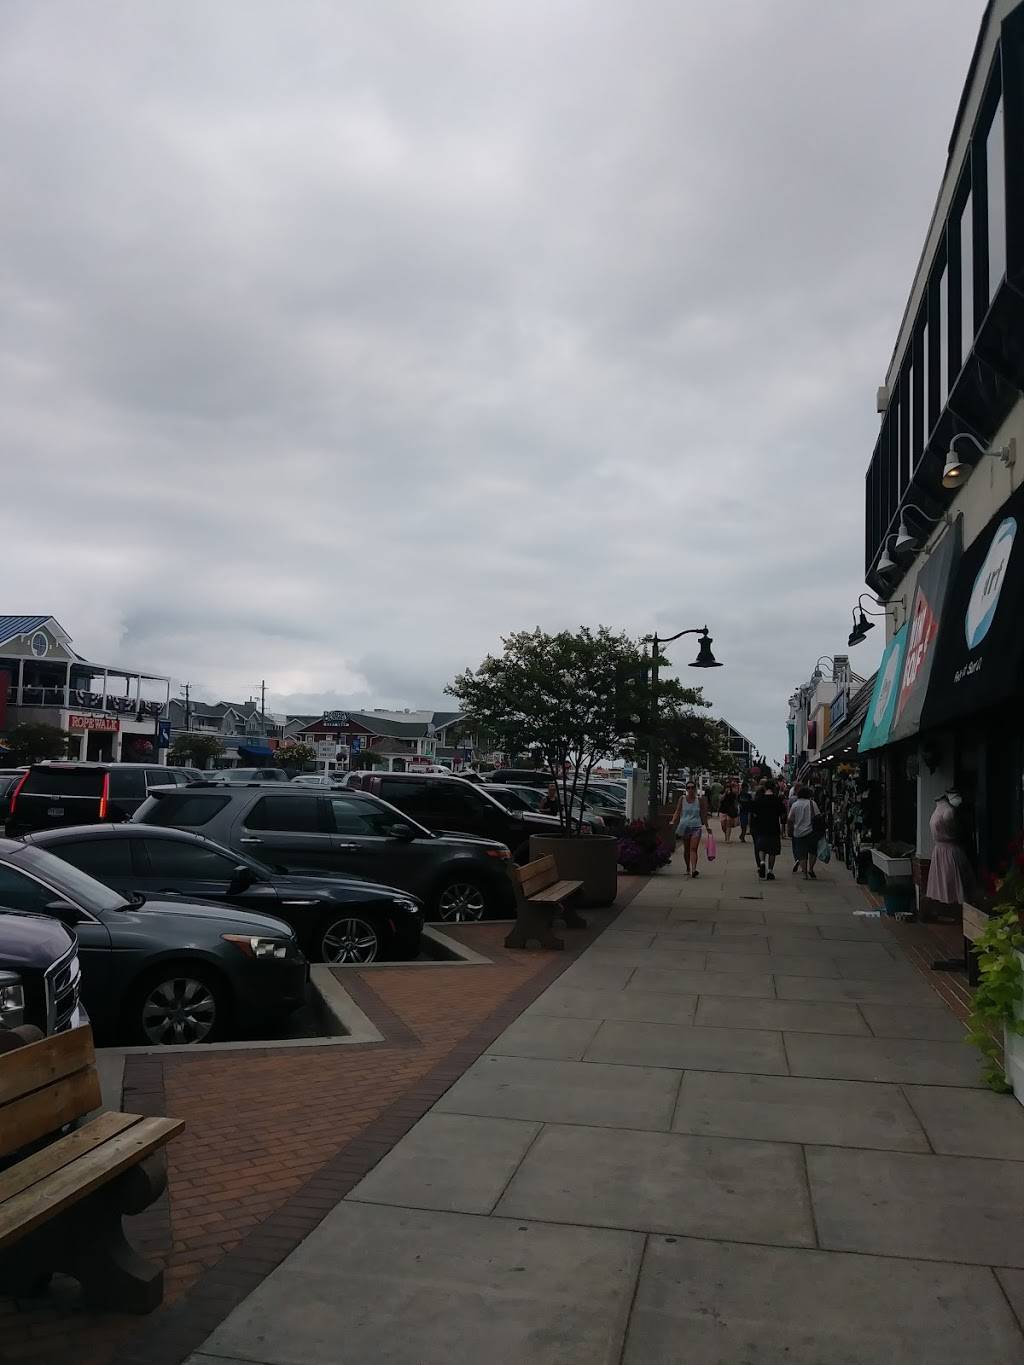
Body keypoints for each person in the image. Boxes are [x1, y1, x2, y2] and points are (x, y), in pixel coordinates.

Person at [926, 791, 974, 909]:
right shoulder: (939, 809)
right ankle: (947, 909)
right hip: (940, 851)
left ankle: (957, 909)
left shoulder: (949, 811)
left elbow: (955, 831)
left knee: (952, 881)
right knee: (944, 882)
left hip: (949, 851)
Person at [670, 780, 711, 878]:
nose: (690, 789)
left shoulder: (699, 800)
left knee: (693, 848)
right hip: (685, 827)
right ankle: (688, 868)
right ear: (686, 789)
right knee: (687, 849)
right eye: (688, 788)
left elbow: (703, 814)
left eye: (692, 787)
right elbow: (678, 811)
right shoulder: (682, 799)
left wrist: (707, 826)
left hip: (696, 827)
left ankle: (693, 869)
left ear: (695, 789)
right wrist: (673, 821)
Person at [750, 780, 786, 880]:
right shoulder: (777, 800)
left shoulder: (759, 799)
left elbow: (754, 813)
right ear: (774, 788)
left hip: (761, 826)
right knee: (772, 851)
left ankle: (762, 862)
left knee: (762, 847)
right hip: (774, 827)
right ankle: (770, 871)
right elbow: (783, 814)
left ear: (765, 788)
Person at [788, 785, 823, 879]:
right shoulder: (812, 803)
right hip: (811, 831)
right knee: (813, 851)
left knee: (801, 854)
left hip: (798, 832)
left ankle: (804, 873)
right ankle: (811, 869)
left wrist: (790, 828)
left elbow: (790, 818)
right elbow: (818, 815)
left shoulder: (795, 804)